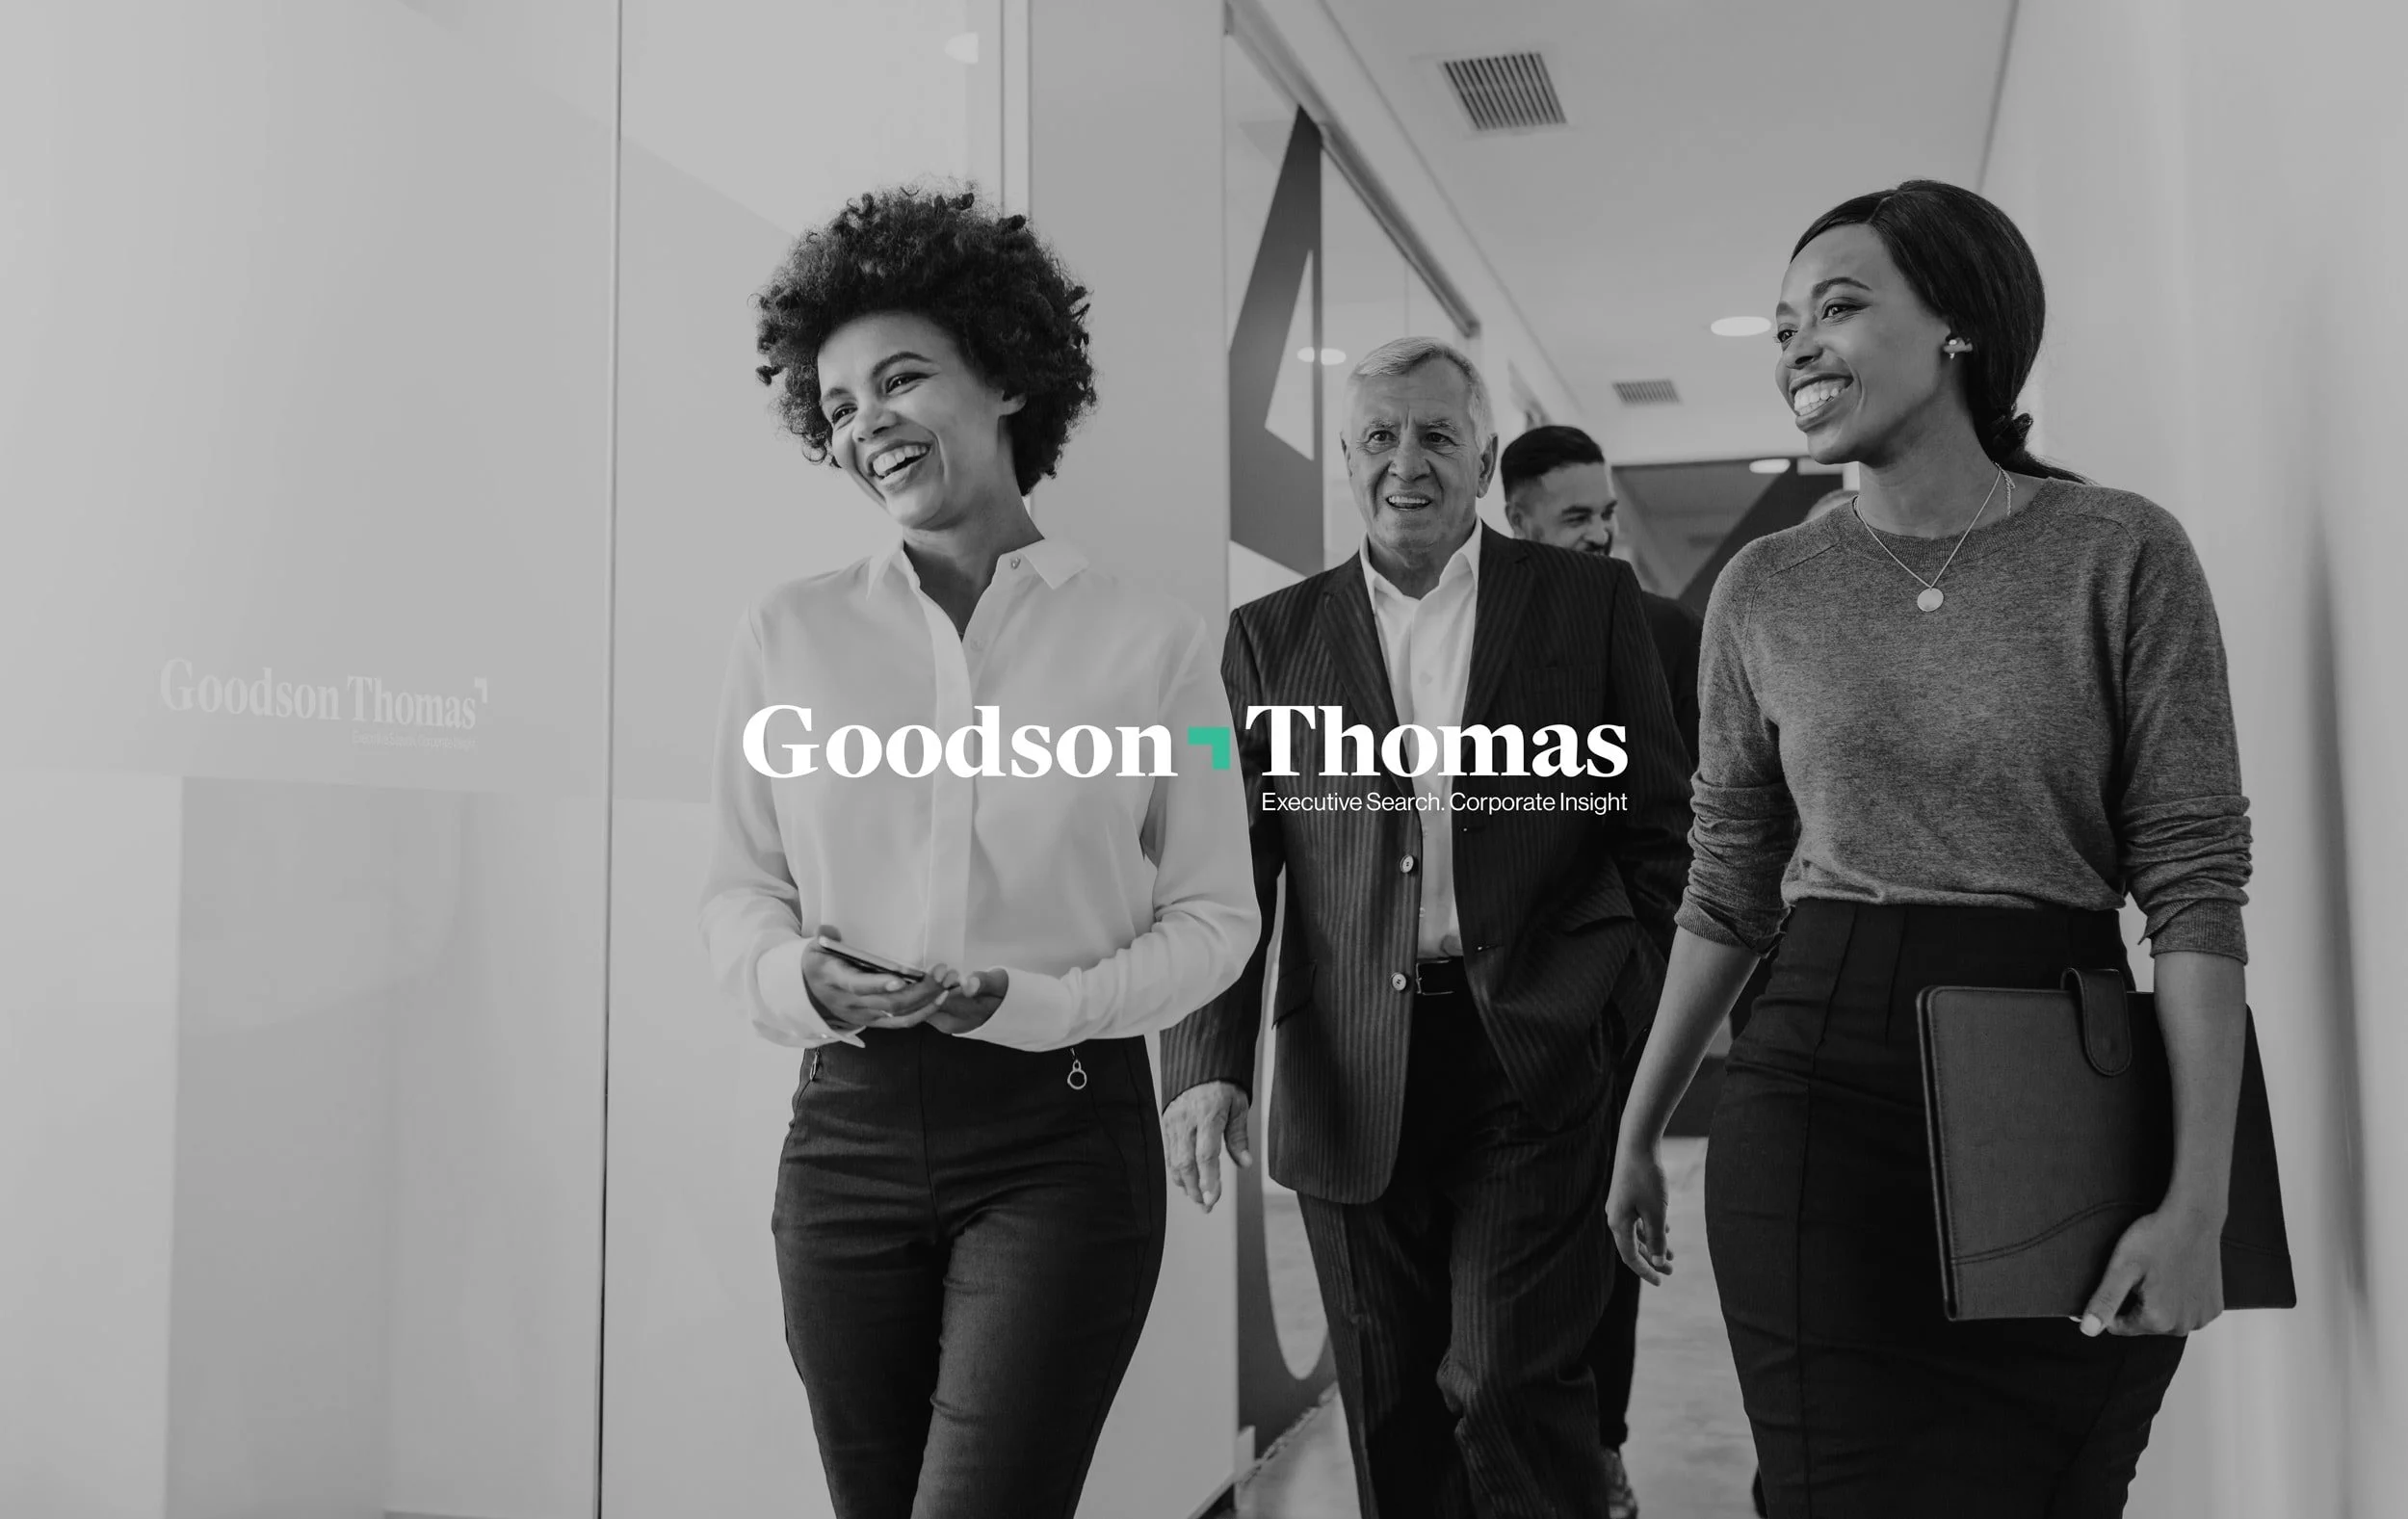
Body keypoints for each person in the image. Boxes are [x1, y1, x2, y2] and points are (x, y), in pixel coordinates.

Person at [1606, 179, 2252, 1518]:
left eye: (1839, 304)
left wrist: (2202, 1204)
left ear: (1962, 325)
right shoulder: (1767, 587)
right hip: (1818, 1087)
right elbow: (1727, 879)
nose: (1796, 345)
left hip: (2061, 1084)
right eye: (1782, 323)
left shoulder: (2118, 553)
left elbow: (2194, 889)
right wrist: (1637, 1121)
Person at [701, 187, 1259, 1519]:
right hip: (843, 1136)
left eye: (902, 379)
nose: (867, 423)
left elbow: (1217, 915)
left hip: (1060, 1135)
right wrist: (800, 983)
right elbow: (738, 891)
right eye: (837, 406)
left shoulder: (1158, 644)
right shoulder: (789, 636)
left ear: (1005, 375)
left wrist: (1045, 1004)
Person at [1161, 336, 1694, 1519]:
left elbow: (1661, 833)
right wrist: (1205, 1065)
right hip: (1348, 1062)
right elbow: (1224, 865)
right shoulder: (1269, 636)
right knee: (1394, 1405)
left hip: (1538, 1049)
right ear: (1348, 458)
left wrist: (1617, 1007)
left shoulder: (1585, 602)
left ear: (1484, 454)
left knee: (1504, 1378)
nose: (1408, 459)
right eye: (1381, 436)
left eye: (1438, 434)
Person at [1500, 423, 1703, 1519]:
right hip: (1477, 993)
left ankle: (1602, 1447)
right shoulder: (1464, 630)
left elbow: (1686, 823)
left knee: (1599, 1239)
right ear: (1517, 513)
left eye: (1607, 515)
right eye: (1576, 516)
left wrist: (1645, 979)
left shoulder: (1660, 630)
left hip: (1604, 995)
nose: (1601, 536)